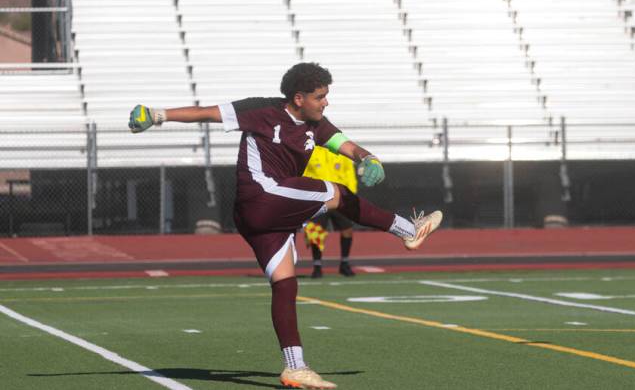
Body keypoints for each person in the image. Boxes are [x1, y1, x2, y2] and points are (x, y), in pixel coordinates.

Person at [128, 62, 442, 390]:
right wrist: (157, 114)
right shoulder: (261, 110)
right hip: (261, 196)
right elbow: (207, 113)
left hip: (267, 217)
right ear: (298, 98)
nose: (326, 103)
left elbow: (346, 145)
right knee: (336, 193)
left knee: (285, 283)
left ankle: (295, 367)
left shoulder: (316, 123)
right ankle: (407, 230)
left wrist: (368, 159)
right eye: (320, 97)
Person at [302, 146, 358, 278]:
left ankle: (344, 263)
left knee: (347, 230)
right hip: (319, 198)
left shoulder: (342, 154)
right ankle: (317, 266)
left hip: (340, 197)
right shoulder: (312, 151)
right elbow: (304, 174)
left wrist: (351, 195)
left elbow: (349, 174)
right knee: (316, 231)